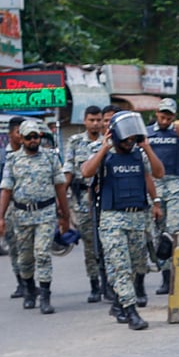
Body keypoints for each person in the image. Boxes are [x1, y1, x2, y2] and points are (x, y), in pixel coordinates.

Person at [81, 113, 164, 330]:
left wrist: (147, 147)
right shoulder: (103, 152)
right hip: (112, 219)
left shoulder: (139, 154)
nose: (129, 142)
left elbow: (158, 173)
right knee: (120, 266)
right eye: (126, 139)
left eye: (132, 139)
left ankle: (119, 302)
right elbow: (86, 172)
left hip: (138, 216)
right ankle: (131, 311)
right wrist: (103, 149)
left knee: (137, 265)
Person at [0, 119, 71, 314]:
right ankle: (29, 290)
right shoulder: (12, 160)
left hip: (45, 213)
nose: (32, 140)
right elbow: (5, 190)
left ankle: (45, 296)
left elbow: (60, 187)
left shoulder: (50, 158)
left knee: (43, 254)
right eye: (28, 137)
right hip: (21, 215)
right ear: (21, 138)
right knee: (25, 258)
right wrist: (0, 217)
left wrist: (65, 215)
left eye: (35, 136)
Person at [146, 98, 179, 295]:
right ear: (156, 114)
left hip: (176, 182)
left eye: (169, 116)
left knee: (175, 229)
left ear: (174, 117)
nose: (165, 119)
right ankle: (166, 277)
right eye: (162, 115)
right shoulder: (147, 133)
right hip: (155, 184)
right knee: (158, 233)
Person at [63, 105, 105, 302]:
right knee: (90, 244)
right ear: (85, 121)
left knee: (109, 242)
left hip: (106, 198)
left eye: (98, 120)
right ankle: (94, 284)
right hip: (83, 200)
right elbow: (68, 171)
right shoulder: (74, 141)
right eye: (92, 120)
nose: (95, 124)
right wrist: (61, 201)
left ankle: (110, 282)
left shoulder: (109, 141)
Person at [0, 116, 25, 297]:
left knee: (30, 247)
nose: (22, 135)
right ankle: (21, 282)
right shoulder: (0, 157)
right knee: (14, 247)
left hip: (28, 207)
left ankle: (31, 281)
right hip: (9, 208)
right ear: (10, 134)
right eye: (19, 132)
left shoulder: (33, 153)